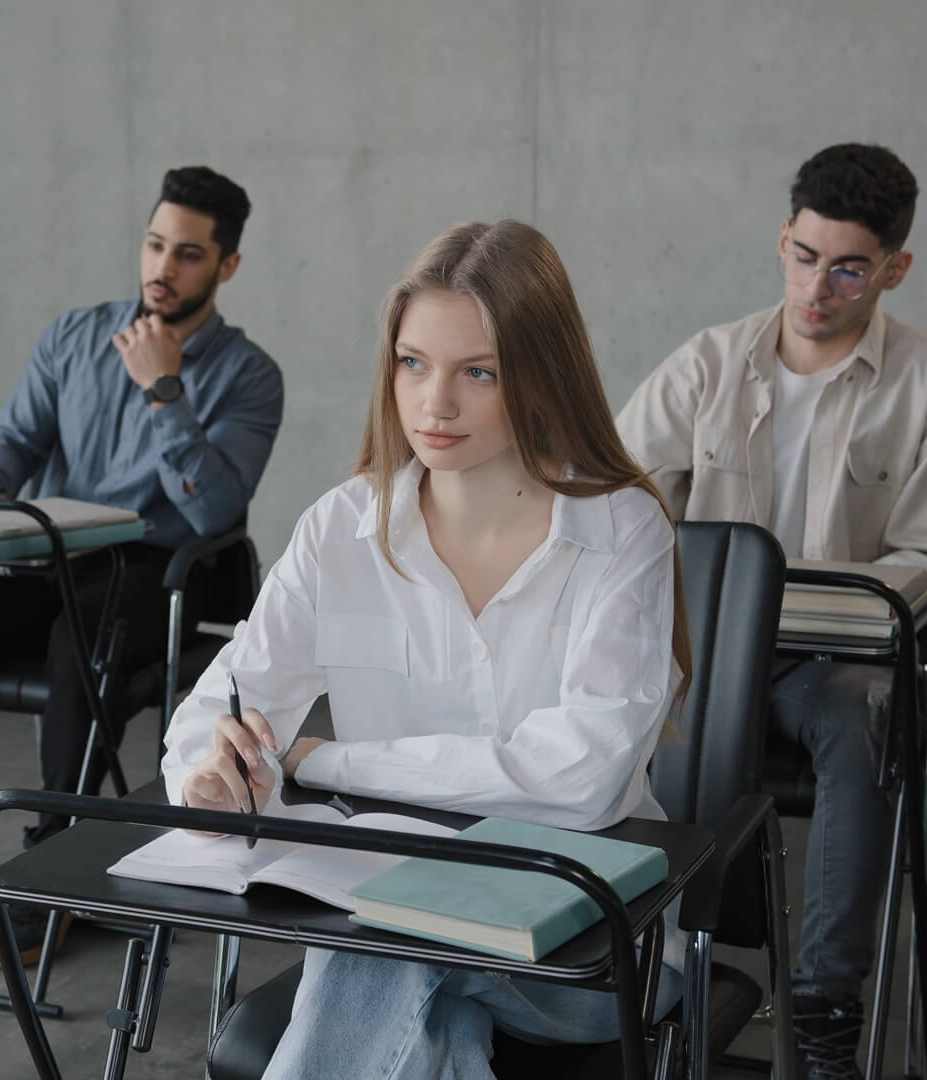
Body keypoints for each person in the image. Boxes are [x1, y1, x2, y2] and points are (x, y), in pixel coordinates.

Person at [161, 220, 687, 1077]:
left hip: (593, 951)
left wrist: (326, 763)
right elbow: (219, 708)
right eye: (414, 363)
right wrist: (217, 771)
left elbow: (580, 781)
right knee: (405, 963)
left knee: (382, 937)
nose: (434, 404)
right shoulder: (343, 525)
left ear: (542, 376)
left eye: (478, 372)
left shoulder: (623, 529)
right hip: (396, 910)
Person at [616, 142, 927, 1079]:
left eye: (851, 268)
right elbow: (611, 490)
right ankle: (642, 970)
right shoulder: (709, 363)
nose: (819, 287)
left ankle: (824, 1013)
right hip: (705, 656)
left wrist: (824, 597)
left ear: (894, 269)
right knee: (607, 699)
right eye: (806, 256)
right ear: (783, 239)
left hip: (832, 667)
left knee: (863, 721)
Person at [0, 165, 284, 966]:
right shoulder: (73, 336)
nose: (164, 269)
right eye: (156, 245)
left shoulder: (249, 375)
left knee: (83, 637)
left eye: (190, 254)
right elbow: (14, 437)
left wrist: (165, 392)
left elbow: (210, 512)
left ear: (226, 266)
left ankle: (49, 855)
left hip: (159, 568)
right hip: (49, 554)